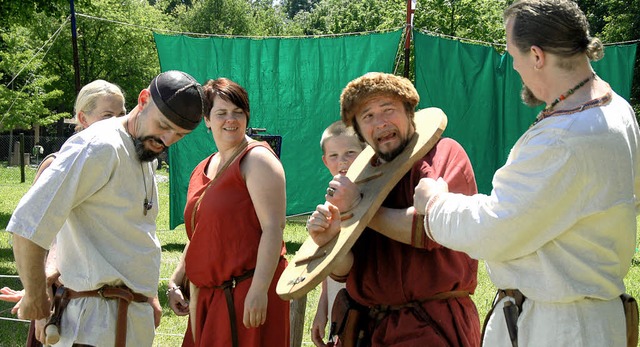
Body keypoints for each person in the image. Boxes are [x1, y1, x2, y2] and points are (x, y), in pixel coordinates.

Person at [413, 1, 640, 346]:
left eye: (512, 52)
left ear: (536, 55)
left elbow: (495, 227)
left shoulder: (565, 138)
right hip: (581, 319)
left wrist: (435, 204)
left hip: (559, 328)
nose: (513, 64)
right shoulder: (615, 108)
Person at [7, 70, 208, 346]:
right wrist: (34, 293)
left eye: (179, 134)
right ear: (144, 99)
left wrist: (146, 296)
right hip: (91, 327)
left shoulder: (144, 152)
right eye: (163, 125)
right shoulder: (100, 146)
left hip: (127, 324)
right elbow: (29, 224)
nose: (168, 140)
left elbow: (126, 232)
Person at [307, 72, 481, 346]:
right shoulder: (360, 179)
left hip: (431, 326)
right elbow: (345, 271)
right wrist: (331, 240)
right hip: (370, 328)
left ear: (410, 112)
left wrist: (359, 207)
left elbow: (428, 231)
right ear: (360, 131)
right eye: (368, 117)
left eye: (388, 110)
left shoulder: (443, 153)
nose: (380, 123)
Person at [1, 79, 127, 347]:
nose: (116, 123)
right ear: (83, 117)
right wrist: (41, 292)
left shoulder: (120, 163)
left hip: (107, 302)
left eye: (121, 115)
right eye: (107, 115)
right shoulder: (58, 164)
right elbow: (40, 234)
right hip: (64, 297)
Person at [167, 77, 290, 346]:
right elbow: (202, 233)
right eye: (221, 113)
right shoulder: (203, 167)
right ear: (207, 120)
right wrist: (176, 279)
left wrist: (258, 290)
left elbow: (273, 228)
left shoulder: (256, 159)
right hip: (210, 298)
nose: (230, 120)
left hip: (246, 293)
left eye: (238, 112)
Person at [310, 121, 365, 347]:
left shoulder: (369, 195)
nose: (342, 161)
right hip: (337, 304)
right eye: (333, 155)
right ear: (325, 161)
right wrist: (323, 308)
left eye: (350, 153)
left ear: (365, 153)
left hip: (362, 305)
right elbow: (328, 262)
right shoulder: (330, 200)